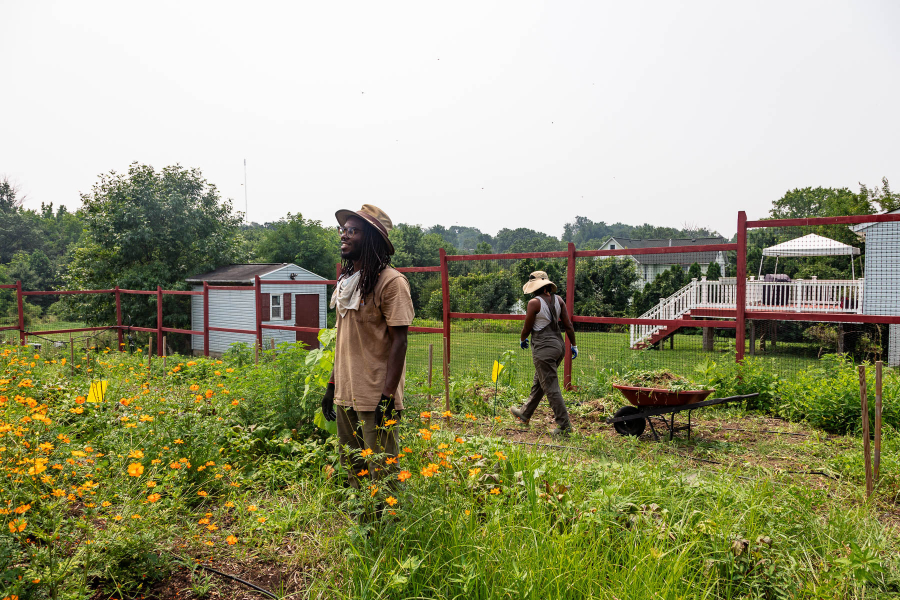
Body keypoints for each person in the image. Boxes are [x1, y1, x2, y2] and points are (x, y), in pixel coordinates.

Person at [320, 204, 414, 488]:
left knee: (382, 471)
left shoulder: (392, 283)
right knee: (353, 467)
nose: (344, 236)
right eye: (343, 229)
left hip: (376, 396)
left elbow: (400, 340)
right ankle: (362, 526)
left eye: (353, 231)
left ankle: (388, 527)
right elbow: (344, 339)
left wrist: (387, 396)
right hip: (347, 391)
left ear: (371, 238)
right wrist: (333, 384)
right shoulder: (348, 282)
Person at [510, 271, 578, 435]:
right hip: (559, 347)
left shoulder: (534, 303)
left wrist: (522, 338)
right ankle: (525, 414)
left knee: (551, 387)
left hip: (544, 349)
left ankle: (564, 426)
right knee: (540, 382)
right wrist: (574, 344)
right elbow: (568, 325)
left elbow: (527, 327)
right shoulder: (559, 300)